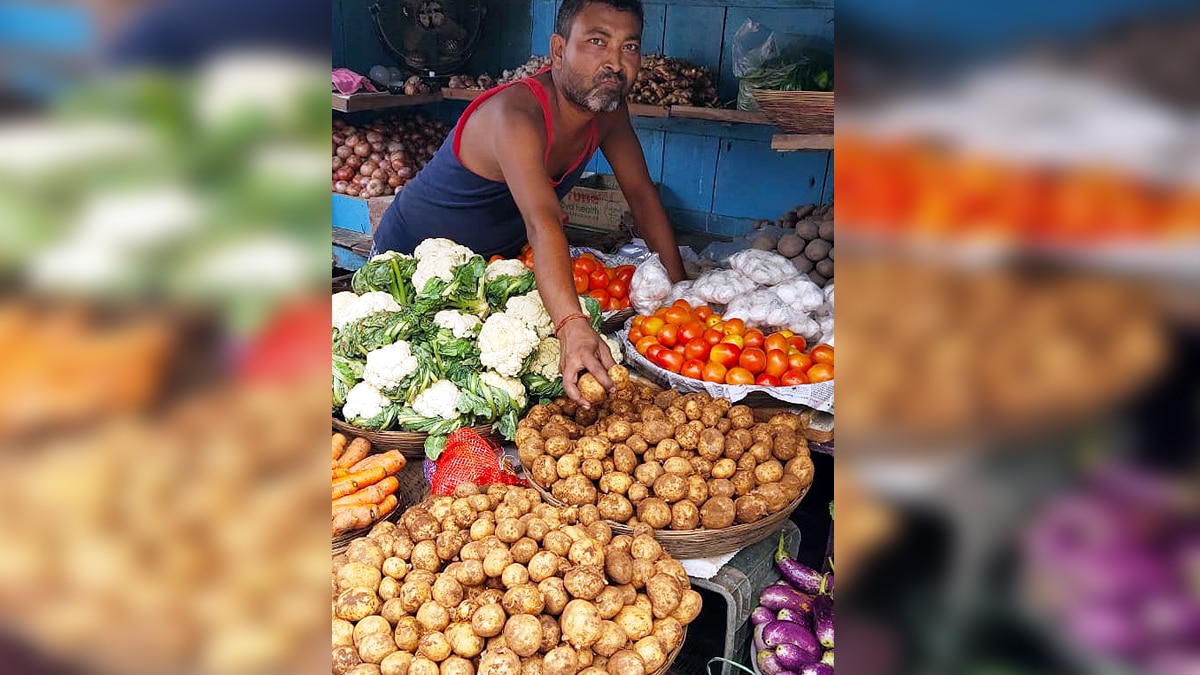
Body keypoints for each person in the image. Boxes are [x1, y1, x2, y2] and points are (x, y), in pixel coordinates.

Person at [372, 0, 687, 408]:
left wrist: (682, 294)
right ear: (558, 50)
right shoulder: (514, 114)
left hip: (488, 270)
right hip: (411, 261)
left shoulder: (606, 110)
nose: (614, 62)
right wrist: (572, 325)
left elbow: (642, 196)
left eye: (629, 47)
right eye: (597, 41)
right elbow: (542, 222)